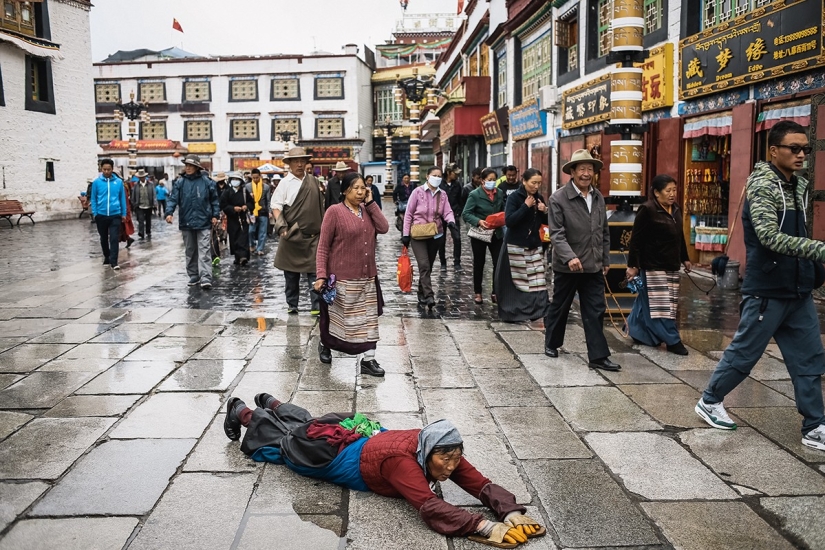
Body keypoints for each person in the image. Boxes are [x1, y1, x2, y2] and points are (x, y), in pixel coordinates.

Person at [223, 394, 545, 546]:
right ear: (428, 453)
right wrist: (484, 527)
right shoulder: (402, 463)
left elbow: (477, 482)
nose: (450, 466)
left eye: (455, 459)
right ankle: (244, 410)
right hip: (331, 455)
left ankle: (272, 401)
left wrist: (511, 511)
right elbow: (429, 507)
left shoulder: (438, 446)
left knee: (312, 424)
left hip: (360, 437)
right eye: (444, 461)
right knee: (283, 442)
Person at [696, 120, 825, 451]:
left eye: (805, 149)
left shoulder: (797, 184)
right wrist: (819, 250)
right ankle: (710, 400)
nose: (801, 155)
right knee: (745, 353)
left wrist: (811, 267)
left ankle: (814, 425)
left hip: (798, 288)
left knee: (810, 358)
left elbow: (797, 233)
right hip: (767, 289)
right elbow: (769, 236)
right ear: (773, 151)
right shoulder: (762, 185)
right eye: (794, 149)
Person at [543, 150, 620, 372]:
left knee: (595, 309)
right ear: (573, 172)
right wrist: (570, 257)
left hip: (593, 265)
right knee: (560, 306)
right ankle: (552, 342)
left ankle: (598, 356)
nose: (586, 174)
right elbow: (556, 233)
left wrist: (605, 258)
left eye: (590, 169)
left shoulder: (598, 197)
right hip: (568, 266)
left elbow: (604, 231)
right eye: (582, 169)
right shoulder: (558, 198)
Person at [313, 173, 389, 376]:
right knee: (337, 321)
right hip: (342, 278)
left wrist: (371, 203)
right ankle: (325, 344)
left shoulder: (368, 210)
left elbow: (384, 228)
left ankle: (369, 359)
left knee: (369, 320)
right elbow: (323, 247)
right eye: (355, 188)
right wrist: (321, 275)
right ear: (345, 190)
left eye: (363, 188)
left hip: (367, 277)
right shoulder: (334, 212)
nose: (360, 191)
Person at [625, 175, 692, 355]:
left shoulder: (675, 209)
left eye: (674, 190)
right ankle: (672, 340)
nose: (672, 194)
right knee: (661, 307)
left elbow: (680, 237)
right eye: (668, 191)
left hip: (671, 265)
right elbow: (636, 241)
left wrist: (685, 258)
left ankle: (636, 329)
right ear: (656, 192)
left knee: (661, 303)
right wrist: (633, 265)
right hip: (653, 265)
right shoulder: (647, 210)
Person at [271, 147, 325, 315]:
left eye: (302, 161)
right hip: (292, 235)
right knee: (291, 275)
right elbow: (276, 206)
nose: (300, 164)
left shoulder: (314, 182)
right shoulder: (285, 183)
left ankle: (316, 307)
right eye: (296, 161)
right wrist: (283, 228)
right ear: (290, 164)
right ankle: (292, 305)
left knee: (315, 273)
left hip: (313, 237)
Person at [494, 168, 549, 323]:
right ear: (524, 181)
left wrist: (545, 211)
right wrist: (525, 206)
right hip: (515, 245)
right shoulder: (514, 198)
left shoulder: (539, 198)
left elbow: (548, 223)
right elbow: (510, 221)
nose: (536, 186)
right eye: (533, 183)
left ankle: (539, 310)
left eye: (539, 183)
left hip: (534, 245)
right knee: (518, 282)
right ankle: (515, 313)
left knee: (537, 280)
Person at [401, 167, 457, 310]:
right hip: (418, 235)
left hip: (435, 234)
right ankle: (429, 295)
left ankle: (421, 292)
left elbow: (448, 211)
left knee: (429, 266)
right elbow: (408, 214)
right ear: (427, 176)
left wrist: (451, 222)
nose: (437, 178)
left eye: (439, 176)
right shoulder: (417, 192)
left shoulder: (442, 195)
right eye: (434, 175)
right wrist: (405, 234)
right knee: (424, 264)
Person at [165, 154, 221, 290]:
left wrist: (215, 215)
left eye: (190, 165)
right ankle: (193, 275)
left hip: (204, 221)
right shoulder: (180, 182)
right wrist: (169, 212)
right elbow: (173, 199)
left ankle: (206, 277)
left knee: (204, 250)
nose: (188, 168)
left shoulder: (207, 182)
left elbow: (214, 200)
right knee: (190, 250)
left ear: (196, 167)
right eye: (186, 165)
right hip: (186, 221)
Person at [463, 168, 505, 305]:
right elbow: (466, 213)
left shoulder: (499, 193)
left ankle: (496, 292)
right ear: (483, 181)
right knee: (479, 263)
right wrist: (478, 221)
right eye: (489, 180)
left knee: (498, 263)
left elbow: (503, 209)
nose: (492, 182)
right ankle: (478, 292)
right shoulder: (475, 195)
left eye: (494, 180)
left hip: (496, 233)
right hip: (480, 233)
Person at [90, 159, 127, 270]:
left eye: (108, 169)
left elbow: (122, 199)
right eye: (104, 169)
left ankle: (114, 261)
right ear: (101, 169)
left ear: (112, 169)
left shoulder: (119, 182)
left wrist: (123, 213)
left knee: (114, 238)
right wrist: (95, 213)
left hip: (115, 214)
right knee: (103, 238)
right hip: (101, 215)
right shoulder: (96, 183)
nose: (106, 171)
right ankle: (107, 255)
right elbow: (94, 198)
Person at [220, 173, 251, 267]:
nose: (235, 181)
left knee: (243, 238)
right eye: (233, 179)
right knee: (234, 238)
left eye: (237, 179)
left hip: (243, 218)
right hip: (232, 219)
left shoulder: (245, 192)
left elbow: (251, 203)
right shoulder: (227, 192)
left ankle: (243, 256)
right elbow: (223, 205)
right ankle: (238, 257)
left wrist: (246, 206)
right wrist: (233, 208)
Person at [438, 165, 464, 271]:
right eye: (455, 173)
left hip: (454, 214)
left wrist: (458, 212)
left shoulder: (457, 185)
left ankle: (457, 262)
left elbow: (460, 199)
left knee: (457, 238)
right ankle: (443, 263)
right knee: (441, 240)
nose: (457, 175)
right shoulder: (439, 184)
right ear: (449, 172)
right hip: (440, 216)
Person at [246, 168, 271, 256]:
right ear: (251, 177)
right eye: (254, 178)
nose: (256, 179)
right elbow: (246, 200)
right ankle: (252, 244)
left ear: (260, 176)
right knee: (250, 231)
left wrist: (269, 211)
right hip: (252, 212)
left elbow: (268, 200)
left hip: (263, 211)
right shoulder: (247, 187)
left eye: (257, 177)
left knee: (262, 232)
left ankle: (260, 248)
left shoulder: (266, 187)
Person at [130, 169, 155, 240]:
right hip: (139, 205)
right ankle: (141, 233)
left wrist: (154, 203)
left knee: (148, 220)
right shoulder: (136, 185)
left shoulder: (150, 184)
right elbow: (133, 195)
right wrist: (134, 203)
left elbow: (153, 194)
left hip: (148, 205)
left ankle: (148, 231)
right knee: (140, 220)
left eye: (143, 177)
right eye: (140, 177)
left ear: (145, 177)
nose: (142, 178)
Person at [211, 173, 229, 266]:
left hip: (225, 211)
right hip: (216, 211)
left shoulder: (228, 188)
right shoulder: (214, 188)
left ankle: (224, 238)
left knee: (224, 227)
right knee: (217, 229)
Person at [119, 175, 136, 249]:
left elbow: (125, 200)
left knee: (120, 227)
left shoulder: (123, 187)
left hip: (121, 210)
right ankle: (128, 239)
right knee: (122, 227)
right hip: (119, 210)